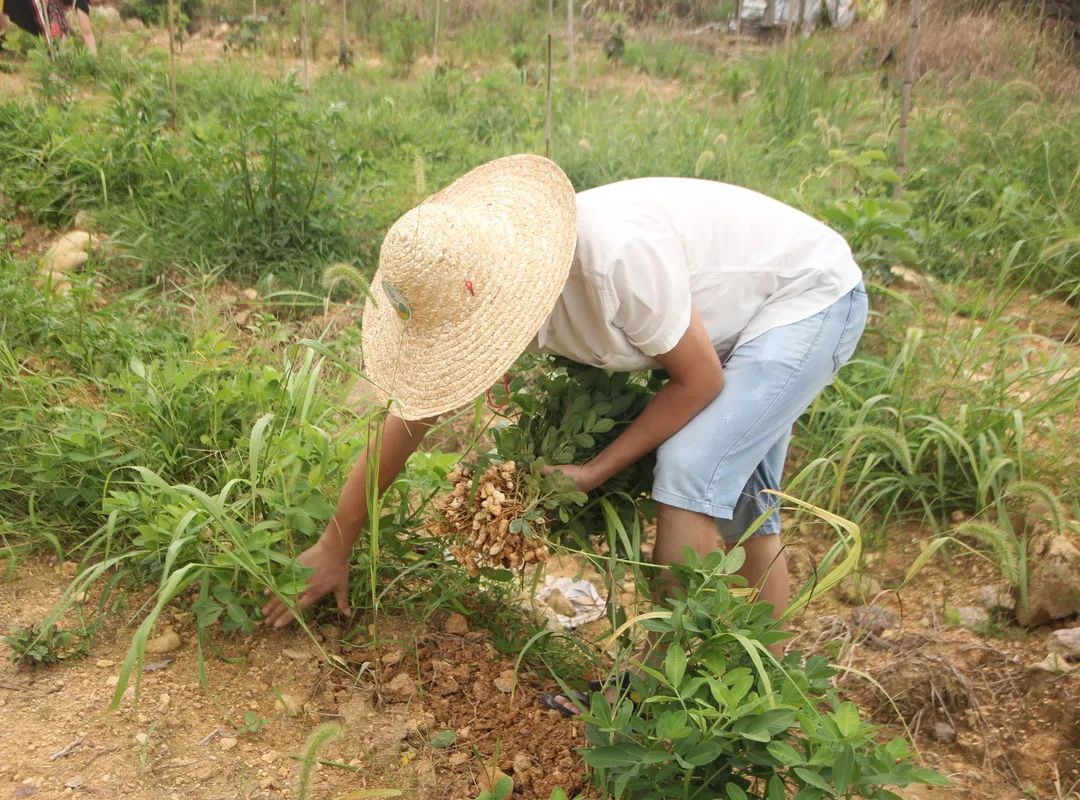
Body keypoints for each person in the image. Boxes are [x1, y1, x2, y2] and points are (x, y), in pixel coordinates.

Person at [261, 154, 868, 712]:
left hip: (804, 299)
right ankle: (769, 689)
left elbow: (699, 381)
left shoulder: (613, 264)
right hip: (728, 317)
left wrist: (594, 470)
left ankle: (666, 696)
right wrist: (338, 541)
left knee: (688, 469)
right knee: (742, 505)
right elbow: (412, 417)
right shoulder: (509, 282)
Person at [0, 0, 97, 55]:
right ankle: (55, 58)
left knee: (62, 32)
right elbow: (87, 32)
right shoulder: (82, 3)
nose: (101, 2)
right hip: (38, 3)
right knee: (55, 34)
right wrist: (94, 58)